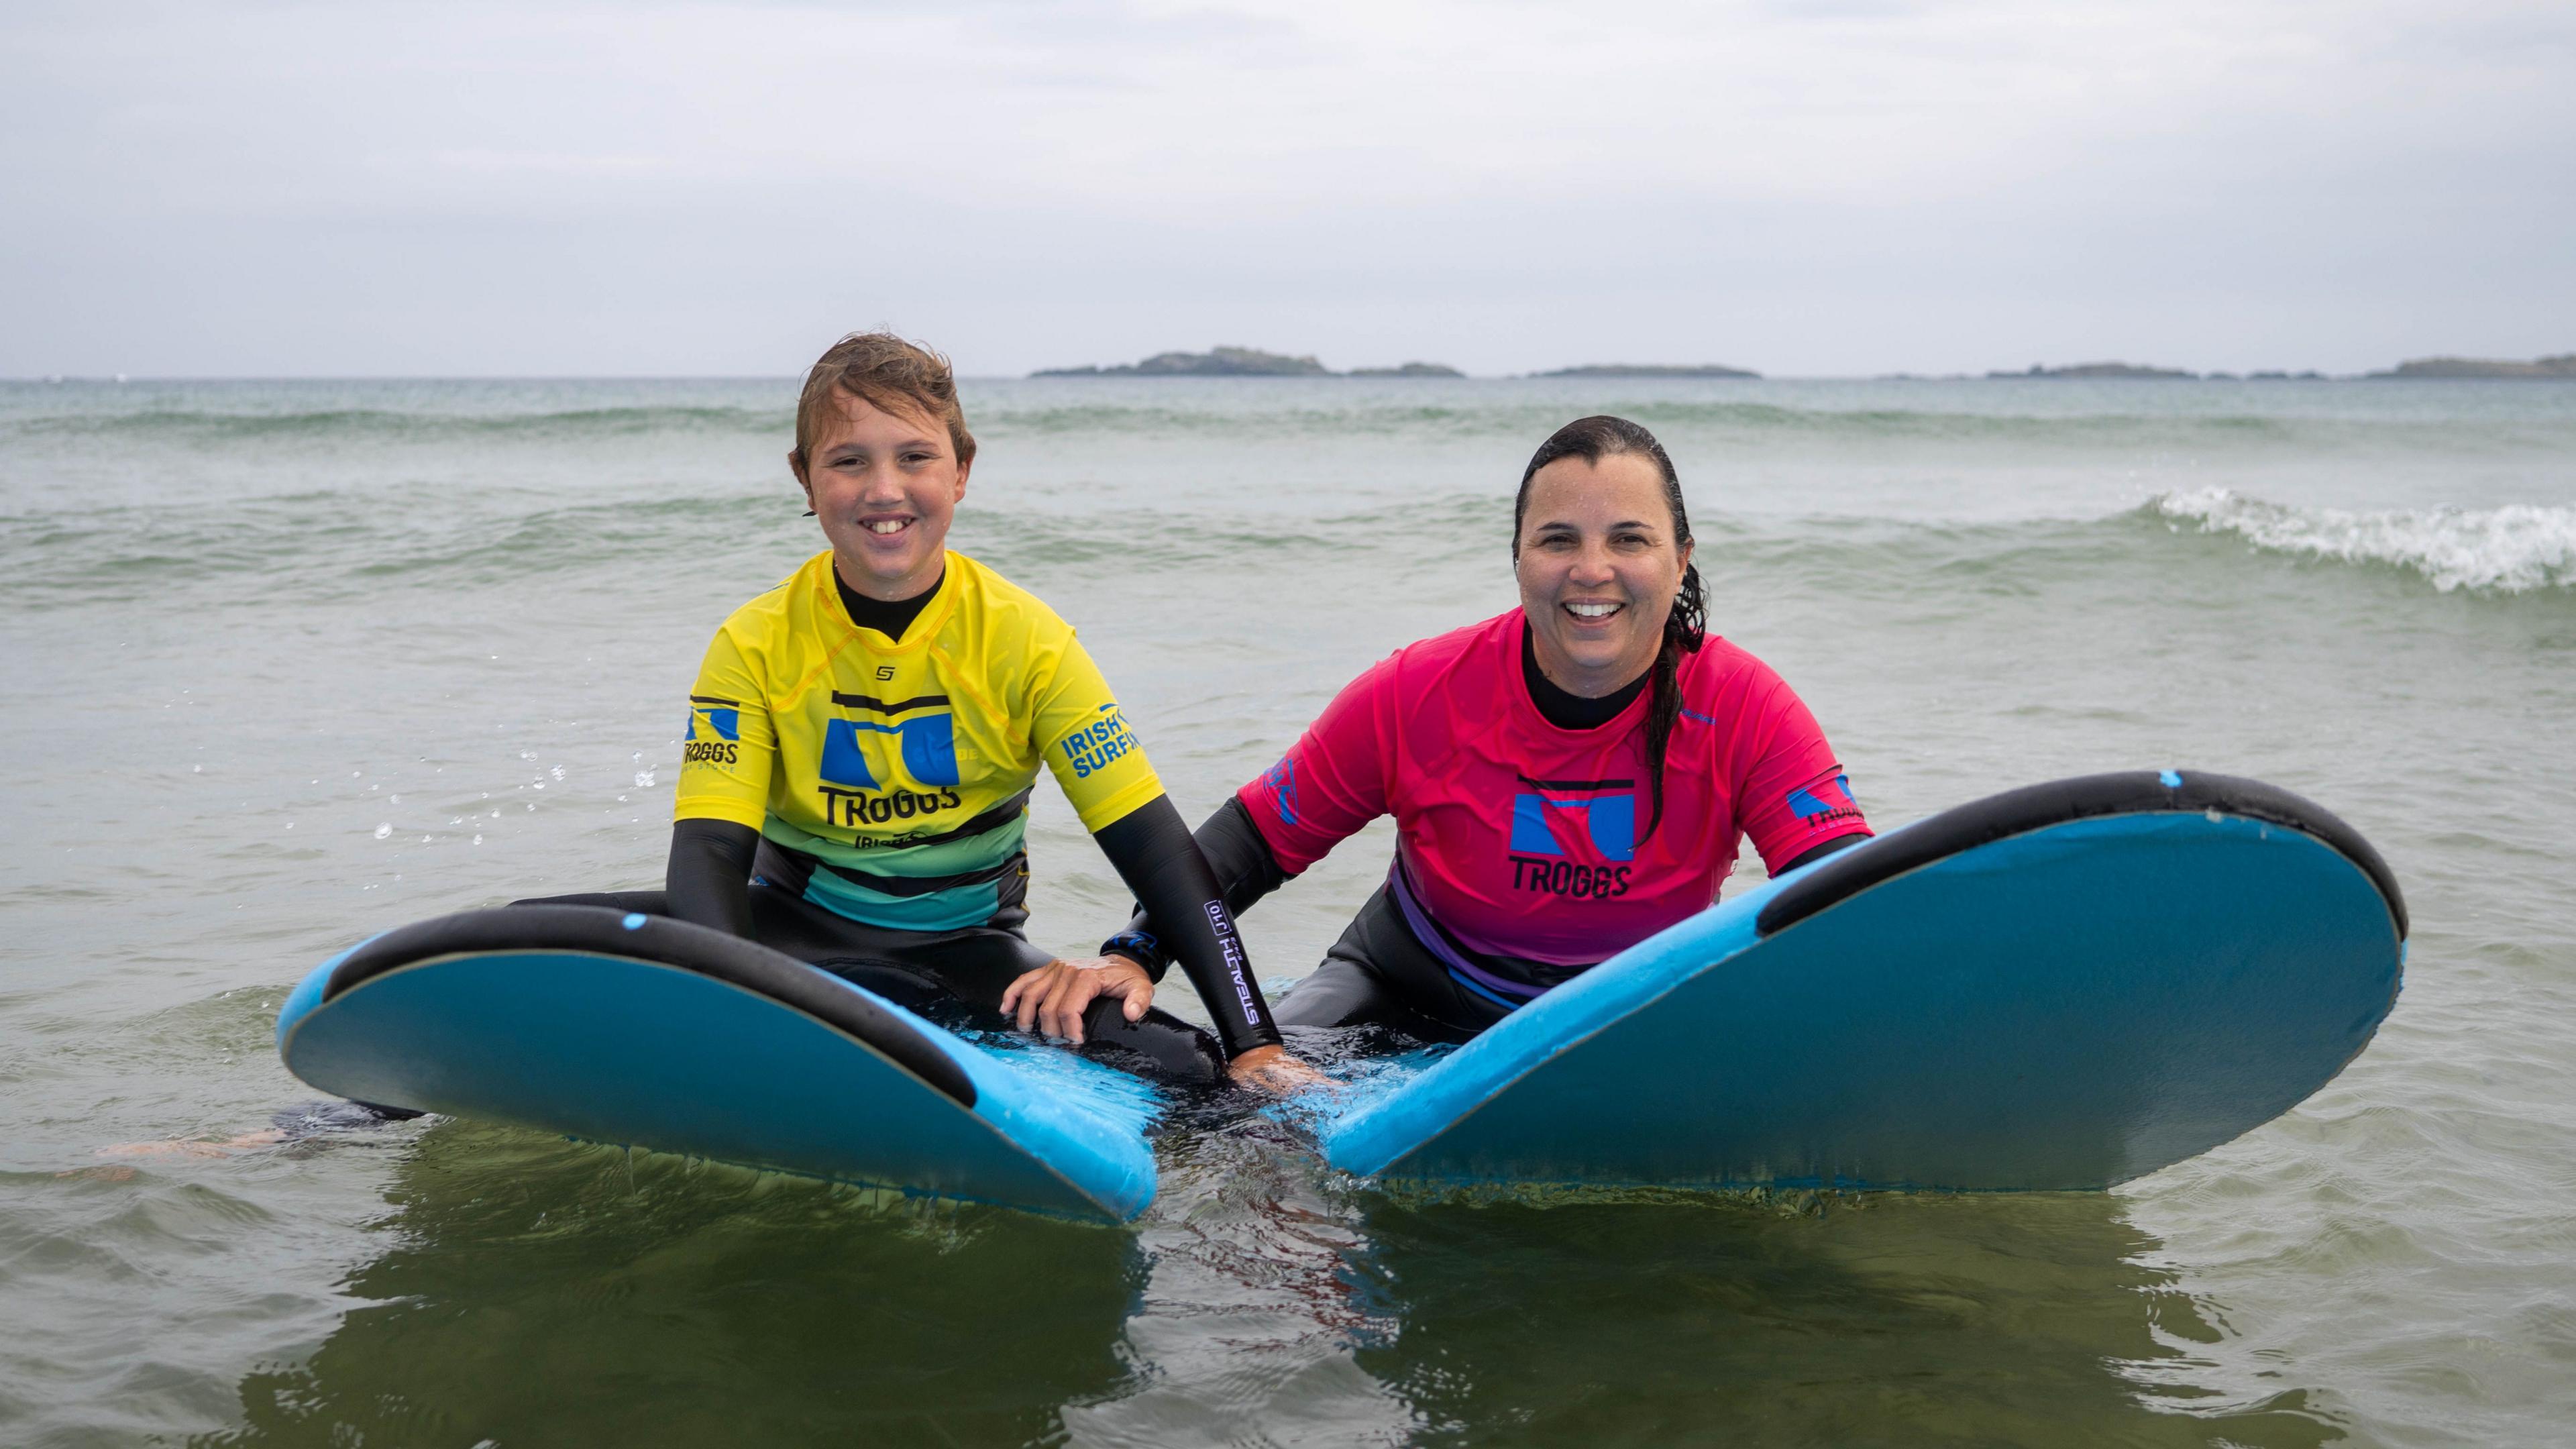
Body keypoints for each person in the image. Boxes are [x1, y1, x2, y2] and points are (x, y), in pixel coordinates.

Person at [533, 333, 1312, 1091]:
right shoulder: (754, 644)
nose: (884, 489)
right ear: (805, 479)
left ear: (962, 470)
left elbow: (1156, 850)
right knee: (515, 947)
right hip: (786, 938)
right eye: (848, 461)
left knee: (1193, 1067)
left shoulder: (1027, 641)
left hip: (970, 955)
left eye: (915, 457)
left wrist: (1255, 1043)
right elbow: (707, 856)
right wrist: (739, 1014)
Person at [1096, 415, 1874, 1043]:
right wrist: (1137, 955)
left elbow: (1845, 891)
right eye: (1558, 538)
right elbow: (1253, 842)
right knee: (1234, 1105)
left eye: (1629, 539)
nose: (1592, 568)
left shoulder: (1746, 707)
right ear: (1519, 558)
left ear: (1681, 561)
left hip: (1634, 1014)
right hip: (1406, 992)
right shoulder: (1418, 692)